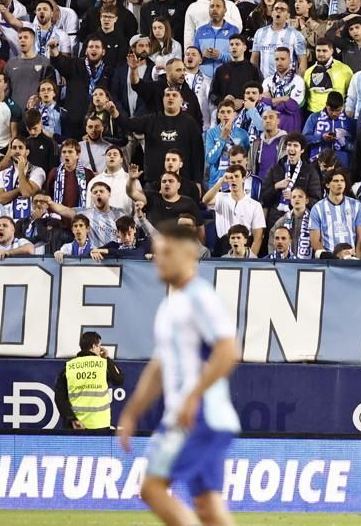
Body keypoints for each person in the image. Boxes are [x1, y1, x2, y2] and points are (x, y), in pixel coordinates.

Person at [116, 223, 242, 526]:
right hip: (202, 416)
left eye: (167, 252)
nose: (159, 258)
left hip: (199, 417)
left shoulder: (200, 297)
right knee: (208, 506)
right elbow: (159, 367)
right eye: (157, 252)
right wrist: (131, 414)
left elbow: (229, 350)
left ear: (189, 254)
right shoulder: (171, 305)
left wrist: (193, 397)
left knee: (152, 489)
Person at [55, 329, 125, 433]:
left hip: (76, 427)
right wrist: (107, 358)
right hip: (99, 425)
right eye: (99, 346)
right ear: (94, 346)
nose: (100, 349)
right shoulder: (103, 364)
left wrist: (72, 419)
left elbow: (59, 398)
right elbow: (119, 379)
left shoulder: (69, 367)